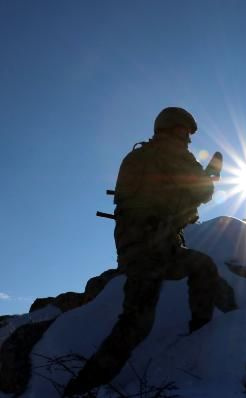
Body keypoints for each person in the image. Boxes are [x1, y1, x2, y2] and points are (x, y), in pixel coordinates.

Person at [64, 107, 220, 395]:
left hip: (135, 247)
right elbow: (202, 192)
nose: (188, 140)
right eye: (185, 132)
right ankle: (202, 334)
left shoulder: (137, 155)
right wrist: (211, 173)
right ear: (172, 129)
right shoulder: (171, 153)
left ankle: (84, 384)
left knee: (138, 319)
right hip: (154, 248)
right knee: (139, 321)